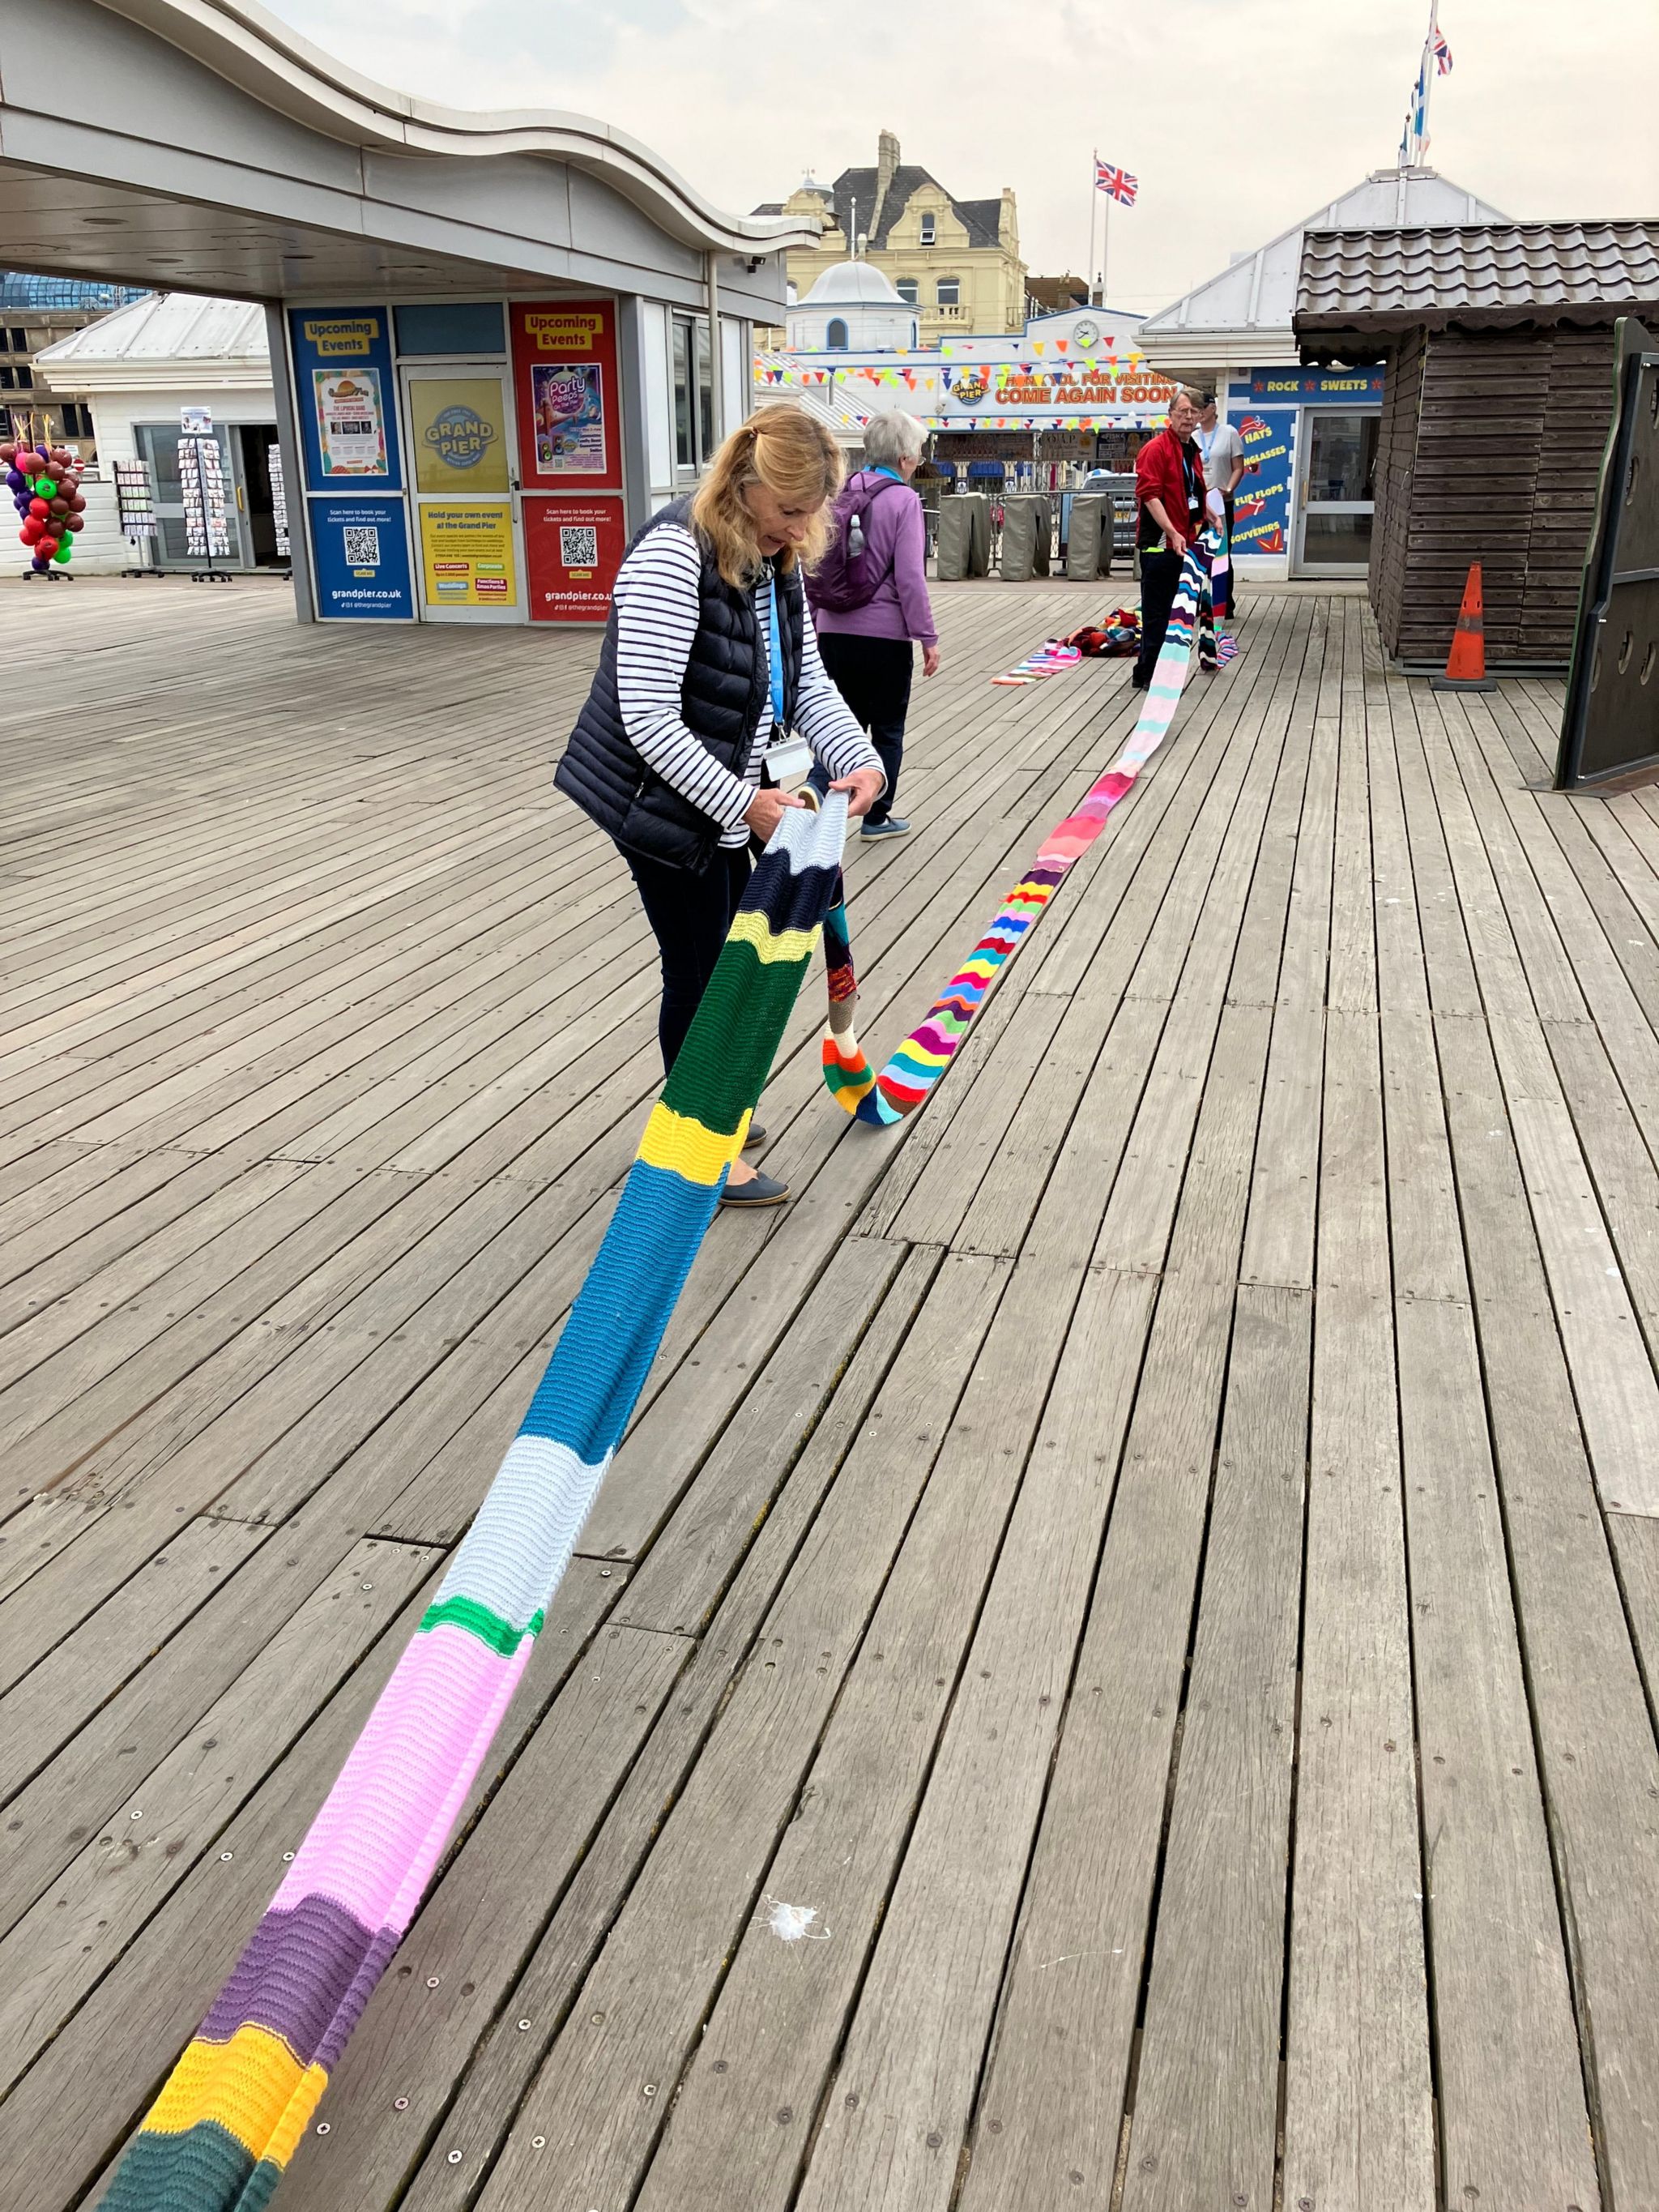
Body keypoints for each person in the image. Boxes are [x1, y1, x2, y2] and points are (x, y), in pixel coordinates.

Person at [557, 406, 885, 1206]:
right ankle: (700, 1149)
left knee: (739, 963)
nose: (798, 530)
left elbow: (803, 679)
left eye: (811, 514)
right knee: (703, 972)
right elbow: (645, 719)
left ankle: (712, 1111)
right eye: (786, 512)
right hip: (657, 802)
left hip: (734, 797)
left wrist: (860, 759)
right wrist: (745, 804)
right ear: (742, 488)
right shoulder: (674, 554)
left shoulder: (774, 560)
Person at [808, 409, 940, 839]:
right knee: (885, 728)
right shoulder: (903, 501)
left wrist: (812, 624)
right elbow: (910, 578)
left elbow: (815, 566)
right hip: (884, 637)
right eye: (918, 453)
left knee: (836, 724)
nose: (918, 460)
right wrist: (927, 636)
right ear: (903, 457)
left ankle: (815, 796)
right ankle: (876, 817)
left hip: (832, 631)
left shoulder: (839, 494)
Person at [1132, 386, 1207, 690]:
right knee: (1157, 614)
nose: (1188, 417)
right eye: (1182, 412)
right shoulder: (1156, 449)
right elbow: (1150, 495)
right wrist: (1172, 531)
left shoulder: (1192, 450)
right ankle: (1151, 675)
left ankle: (1147, 672)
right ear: (1170, 415)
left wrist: (1208, 515)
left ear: (1201, 416)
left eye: (1193, 412)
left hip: (1184, 542)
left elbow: (1193, 493)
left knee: (1177, 613)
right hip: (1161, 544)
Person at [1196, 393, 1245, 611]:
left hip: (1220, 501)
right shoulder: (1193, 436)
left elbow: (1238, 467)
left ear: (1213, 408)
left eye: (1203, 406)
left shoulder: (1229, 433)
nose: (1199, 411)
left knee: (1221, 553)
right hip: (1197, 502)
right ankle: (1200, 603)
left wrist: (1229, 488)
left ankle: (1224, 604)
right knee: (1198, 553)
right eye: (1196, 407)